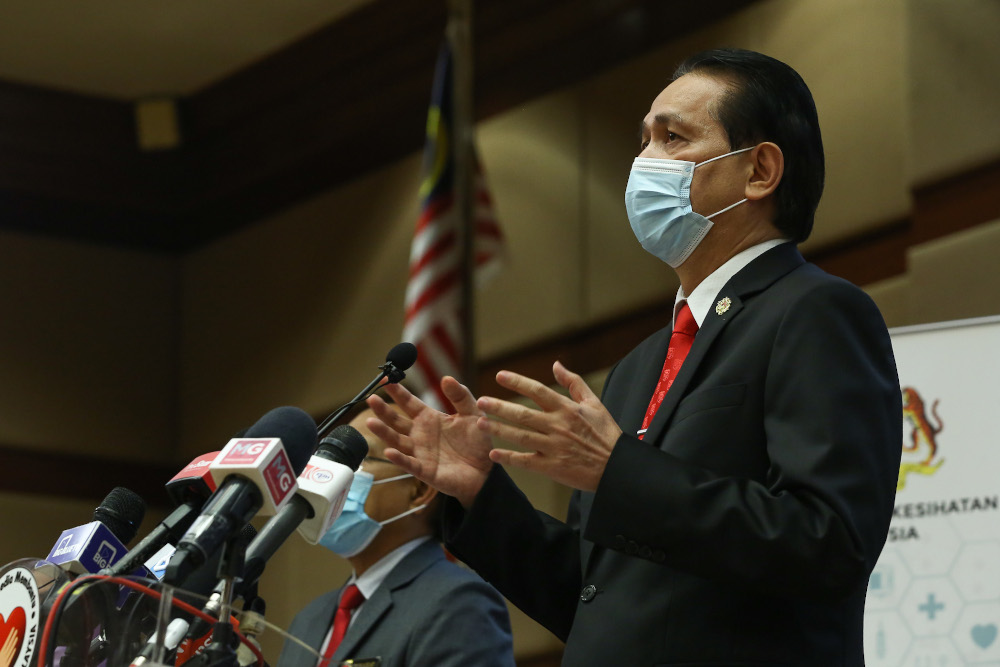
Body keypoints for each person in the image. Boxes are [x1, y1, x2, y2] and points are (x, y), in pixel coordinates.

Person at [367, 48, 902, 665]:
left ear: (759, 171)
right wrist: (483, 495)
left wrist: (618, 471)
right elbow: (596, 597)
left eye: (673, 138)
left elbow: (829, 545)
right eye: (643, 140)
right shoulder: (638, 366)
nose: (645, 161)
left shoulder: (815, 312)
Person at [276, 405, 515, 667]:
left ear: (419, 490)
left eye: (357, 461)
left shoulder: (459, 602)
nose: (334, 478)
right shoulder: (308, 620)